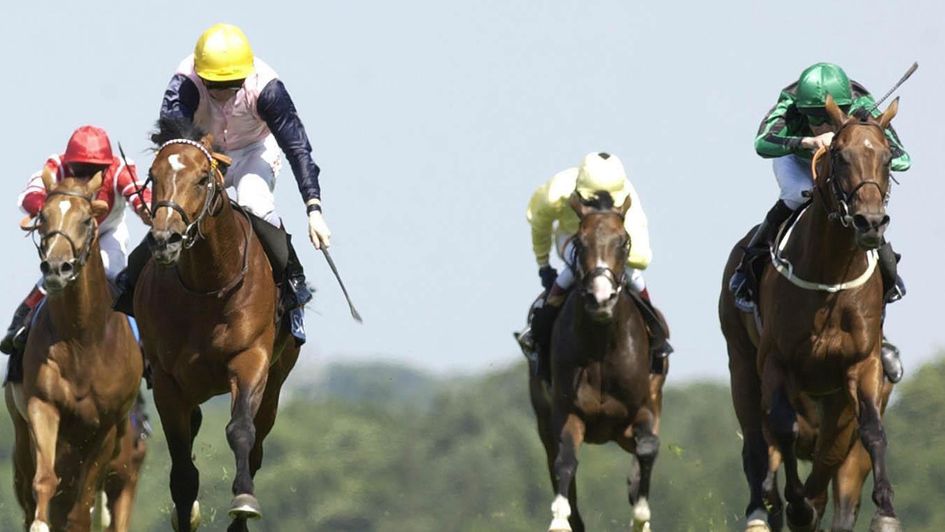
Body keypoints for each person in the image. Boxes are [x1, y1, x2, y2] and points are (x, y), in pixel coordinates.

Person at [114, 23, 329, 341]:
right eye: (215, 84)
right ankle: (130, 285)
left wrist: (314, 208)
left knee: (255, 204)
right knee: (172, 215)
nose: (225, 92)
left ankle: (294, 287)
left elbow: (297, 147)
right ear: (201, 73)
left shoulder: (267, 88)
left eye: (233, 84)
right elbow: (171, 138)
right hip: (202, 152)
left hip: (254, 152)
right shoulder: (185, 81)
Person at [728, 62, 910, 382]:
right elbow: (762, 144)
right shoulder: (789, 100)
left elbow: (904, 159)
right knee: (798, 195)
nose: (822, 123)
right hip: (797, 160)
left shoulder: (861, 103)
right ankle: (748, 269)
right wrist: (806, 142)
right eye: (815, 117)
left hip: (846, 165)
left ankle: (883, 305)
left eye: (829, 115)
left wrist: (868, 134)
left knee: (864, 214)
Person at [1, 125, 151, 359]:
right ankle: (19, 326)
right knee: (53, 272)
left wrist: (144, 207)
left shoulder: (121, 167)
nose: (84, 175)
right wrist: (50, 210)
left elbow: (136, 192)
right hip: (68, 232)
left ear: (106, 165)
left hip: (108, 231)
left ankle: (145, 346)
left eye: (93, 169)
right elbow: (28, 194)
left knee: (115, 275)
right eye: (79, 167)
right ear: (68, 160)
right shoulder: (55, 165)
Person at [520, 152, 672, 381]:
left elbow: (640, 254)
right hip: (572, 235)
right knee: (574, 268)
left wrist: (621, 259)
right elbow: (540, 226)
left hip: (612, 237)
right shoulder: (556, 193)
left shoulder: (627, 195)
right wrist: (543, 264)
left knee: (633, 273)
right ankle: (538, 331)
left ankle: (654, 330)